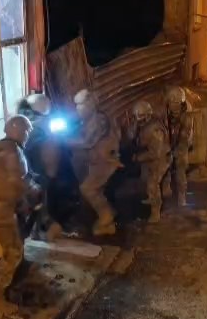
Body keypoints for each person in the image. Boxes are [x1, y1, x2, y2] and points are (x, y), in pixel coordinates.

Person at [0, 115, 41, 319]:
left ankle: (1, 287)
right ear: (19, 130)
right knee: (13, 252)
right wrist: (35, 192)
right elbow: (19, 182)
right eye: (27, 131)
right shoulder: (14, 152)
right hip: (0, 210)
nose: (28, 135)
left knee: (14, 245)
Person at [67, 89, 121, 236]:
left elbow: (88, 142)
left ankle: (106, 216)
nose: (78, 109)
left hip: (105, 162)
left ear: (90, 104)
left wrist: (64, 141)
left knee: (88, 189)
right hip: (96, 161)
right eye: (77, 106)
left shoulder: (99, 120)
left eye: (81, 105)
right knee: (93, 190)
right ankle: (107, 220)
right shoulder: (87, 120)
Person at [15, 93, 64, 240]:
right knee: (37, 202)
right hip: (32, 174)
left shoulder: (32, 128)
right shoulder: (31, 130)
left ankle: (38, 229)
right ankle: (37, 229)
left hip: (36, 173)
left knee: (40, 201)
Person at [129, 100, 170, 223]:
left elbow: (156, 153)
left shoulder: (155, 130)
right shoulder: (144, 124)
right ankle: (151, 197)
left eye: (141, 117)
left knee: (153, 184)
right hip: (150, 156)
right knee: (145, 178)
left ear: (148, 115)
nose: (138, 120)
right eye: (137, 117)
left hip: (161, 159)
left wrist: (138, 158)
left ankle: (155, 211)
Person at [163, 86, 194, 206]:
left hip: (182, 140)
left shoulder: (187, 113)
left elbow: (184, 136)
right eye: (172, 105)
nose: (175, 109)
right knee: (164, 160)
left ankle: (182, 195)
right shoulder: (164, 110)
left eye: (177, 106)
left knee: (181, 165)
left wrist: (175, 150)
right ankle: (166, 186)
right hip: (170, 136)